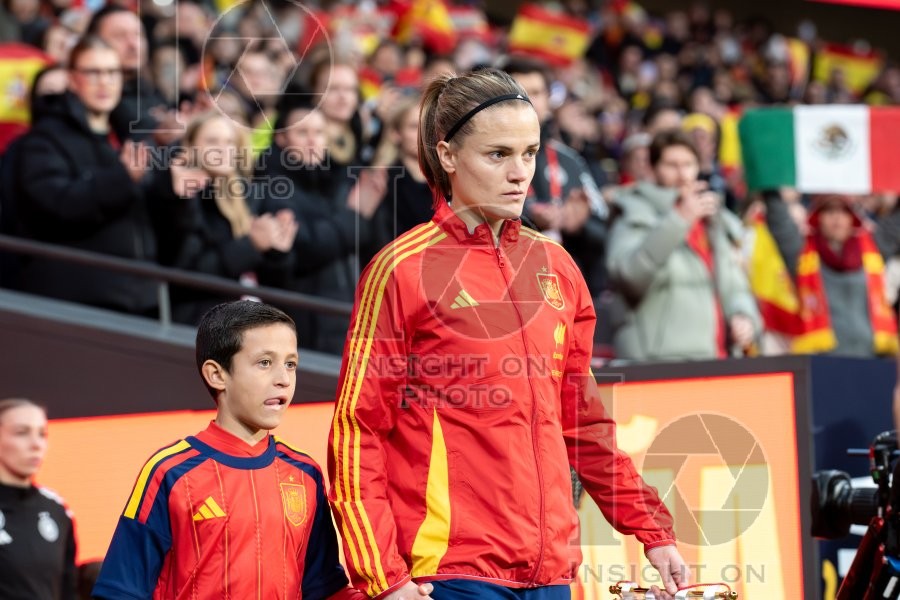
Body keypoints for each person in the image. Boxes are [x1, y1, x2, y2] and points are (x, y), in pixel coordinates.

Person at [329, 68, 687, 600]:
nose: (521, 173)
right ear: (447, 156)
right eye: (498, 154)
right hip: (449, 572)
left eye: (530, 152)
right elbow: (357, 431)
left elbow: (582, 420)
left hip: (550, 571)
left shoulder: (558, 267)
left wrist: (651, 529)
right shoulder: (401, 268)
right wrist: (384, 578)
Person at [92, 301, 377, 599]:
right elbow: (119, 591)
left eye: (291, 363)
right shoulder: (170, 473)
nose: (283, 378)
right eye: (265, 362)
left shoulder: (306, 473)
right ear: (217, 375)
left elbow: (323, 589)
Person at [12, 35, 158, 315]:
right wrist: (121, 180)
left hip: (140, 300)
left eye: (112, 72)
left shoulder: (134, 137)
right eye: (93, 72)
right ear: (71, 79)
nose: (105, 81)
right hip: (76, 303)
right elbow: (56, 204)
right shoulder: (43, 140)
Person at [606, 129, 761, 361]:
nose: (682, 174)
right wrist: (678, 219)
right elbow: (631, 276)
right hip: (656, 363)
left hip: (716, 359)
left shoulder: (714, 219)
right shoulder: (633, 210)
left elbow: (735, 284)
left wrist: (743, 315)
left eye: (688, 164)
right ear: (653, 168)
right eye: (672, 165)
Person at [0, 398, 77, 600]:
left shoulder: (57, 509)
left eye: (42, 434)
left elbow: (67, 591)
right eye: (21, 433)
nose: (36, 444)